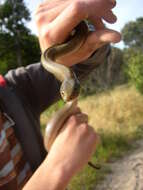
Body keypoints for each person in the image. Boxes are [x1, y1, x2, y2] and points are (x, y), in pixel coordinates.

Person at [0, 0, 121, 189]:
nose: (67, 97)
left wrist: (86, 37)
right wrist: (56, 169)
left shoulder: (10, 90)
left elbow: (79, 67)